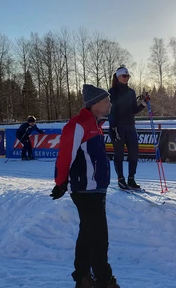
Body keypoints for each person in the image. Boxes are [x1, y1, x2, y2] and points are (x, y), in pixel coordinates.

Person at [50, 84, 120, 288]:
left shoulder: (95, 124)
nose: (110, 104)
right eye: (106, 101)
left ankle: (83, 277)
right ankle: (103, 280)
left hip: (95, 188)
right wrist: (60, 182)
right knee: (99, 236)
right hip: (85, 190)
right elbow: (65, 155)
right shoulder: (79, 124)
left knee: (88, 233)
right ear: (95, 103)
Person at [108, 65, 149, 190]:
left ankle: (131, 179)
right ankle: (121, 179)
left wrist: (143, 103)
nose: (126, 78)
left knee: (134, 153)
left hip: (130, 126)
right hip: (117, 127)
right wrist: (113, 128)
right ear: (118, 77)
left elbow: (134, 110)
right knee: (119, 154)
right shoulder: (111, 92)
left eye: (128, 76)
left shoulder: (131, 92)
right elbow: (109, 111)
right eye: (124, 76)